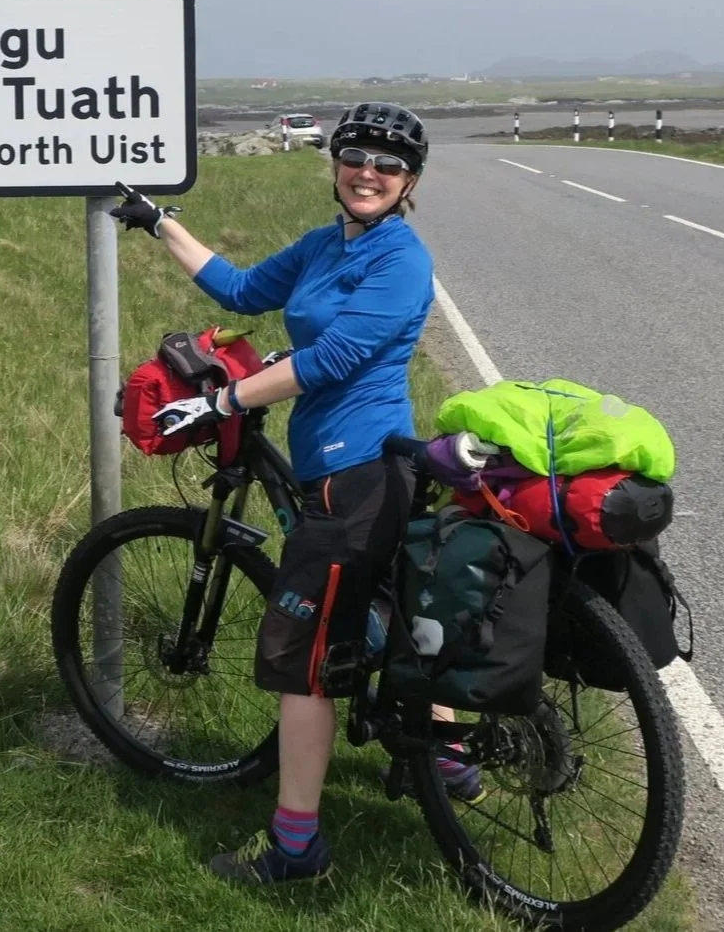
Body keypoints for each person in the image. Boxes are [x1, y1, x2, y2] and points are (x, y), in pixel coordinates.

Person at [110, 102, 477, 885]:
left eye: (386, 162)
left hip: (360, 477)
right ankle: (445, 764)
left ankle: (296, 848)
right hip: (352, 472)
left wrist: (225, 400)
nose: (368, 171)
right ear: (336, 163)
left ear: (409, 179)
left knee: (304, 664)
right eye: (356, 156)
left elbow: (333, 357)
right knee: (394, 617)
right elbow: (241, 290)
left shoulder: (401, 258)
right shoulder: (322, 245)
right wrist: (157, 222)